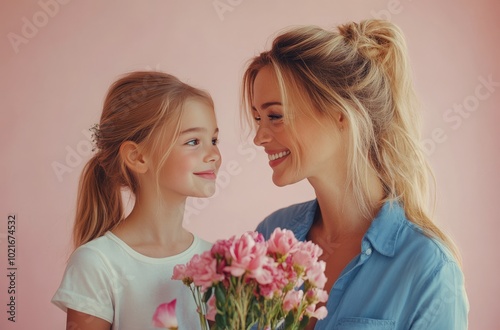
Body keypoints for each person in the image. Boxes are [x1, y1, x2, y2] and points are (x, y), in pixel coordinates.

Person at [242, 19, 468, 329]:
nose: (259, 138)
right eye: (257, 118)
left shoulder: (428, 267)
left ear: (340, 113)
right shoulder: (270, 235)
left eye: (275, 116)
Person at [51, 71, 221, 329]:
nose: (213, 154)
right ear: (138, 157)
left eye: (214, 140)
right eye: (193, 141)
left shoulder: (217, 260)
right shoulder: (97, 264)